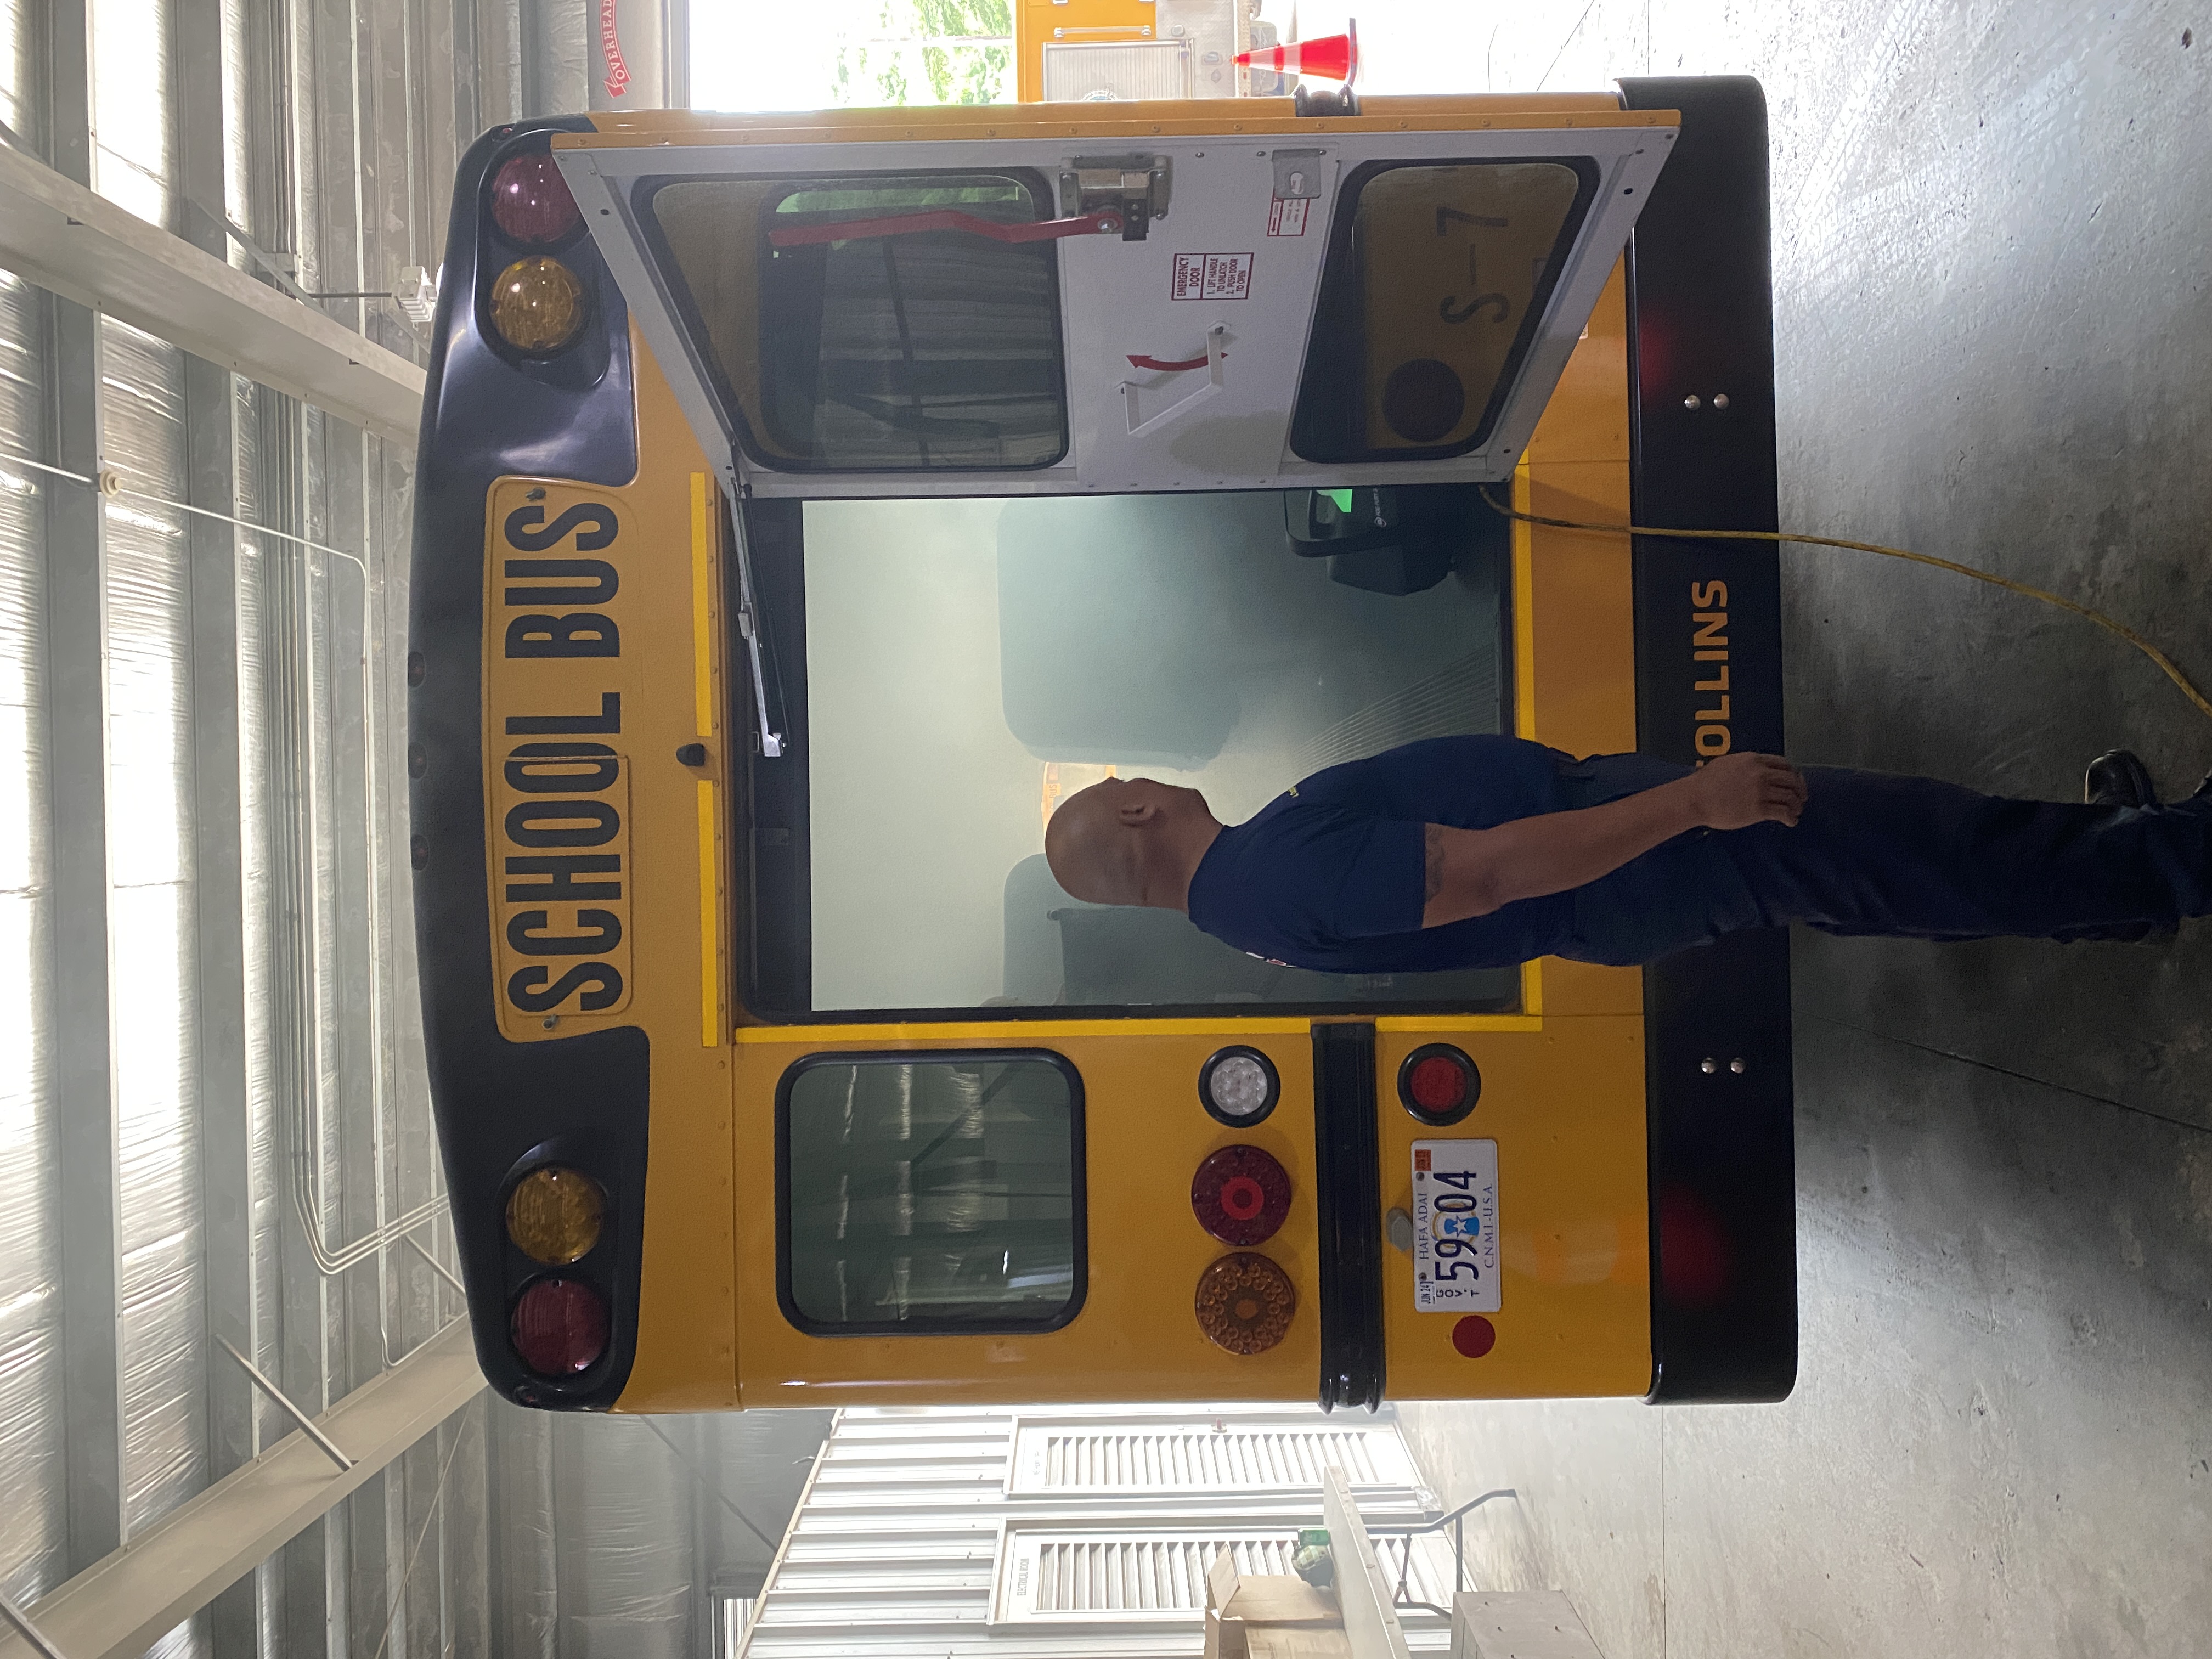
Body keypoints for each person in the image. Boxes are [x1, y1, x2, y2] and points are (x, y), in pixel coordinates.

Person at [1041, 736, 2211, 972]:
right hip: (1643, 860)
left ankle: (2120, 882)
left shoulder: (1248, 898)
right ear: (1138, 821)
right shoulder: (1270, 876)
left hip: (1626, 865)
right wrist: (1696, 803)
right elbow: (1485, 873)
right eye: (1124, 783)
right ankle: (2177, 862)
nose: (1139, 774)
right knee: (1919, 849)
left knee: (1895, 875)